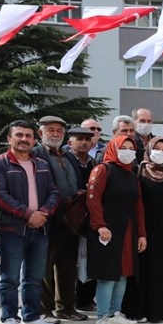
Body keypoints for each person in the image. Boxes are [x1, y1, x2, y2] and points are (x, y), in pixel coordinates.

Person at [0, 120, 60, 324]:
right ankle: (10, 318)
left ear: (34, 139)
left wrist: (43, 213)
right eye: (19, 135)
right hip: (12, 230)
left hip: (40, 229)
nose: (24, 139)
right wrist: (28, 214)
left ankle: (32, 317)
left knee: (34, 276)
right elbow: (0, 195)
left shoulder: (40, 163)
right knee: (10, 278)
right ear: (9, 139)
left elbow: (54, 192)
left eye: (28, 136)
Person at [86, 135, 146, 324]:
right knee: (107, 274)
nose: (128, 151)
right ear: (113, 148)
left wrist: (142, 234)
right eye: (124, 147)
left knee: (123, 273)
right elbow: (93, 199)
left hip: (127, 230)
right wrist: (100, 226)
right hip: (107, 231)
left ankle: (115, 313)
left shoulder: (131, 174)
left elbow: (138, 206)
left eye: (132, 147)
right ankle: (102, 317)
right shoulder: (103, 169)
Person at [122, 136, 163, 323]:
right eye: (157, 148)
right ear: (149, 149)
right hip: (145, 230)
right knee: (146, 270)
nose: (160, 152)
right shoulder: (139, 171)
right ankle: (141, 311)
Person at [34, 116, 86, 323]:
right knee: (45, 268)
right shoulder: (36, 154)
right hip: (48, 220)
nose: (55, 134)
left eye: (59, 131)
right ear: (41, 133)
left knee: (67, 267)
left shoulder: (68, 155)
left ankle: (66, 307)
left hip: (70, 221)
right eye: (50, 130)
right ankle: (43, 311)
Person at [66, 125, 98, 312]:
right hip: (68, 218)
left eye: (87, 139)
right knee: (70, 262)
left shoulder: (93, 163)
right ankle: (67, 302)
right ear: (70, 142)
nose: (84, 143)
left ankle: (85, 300)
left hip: (89, 217)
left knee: (89, 258)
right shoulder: (65, 160)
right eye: (80, 139)